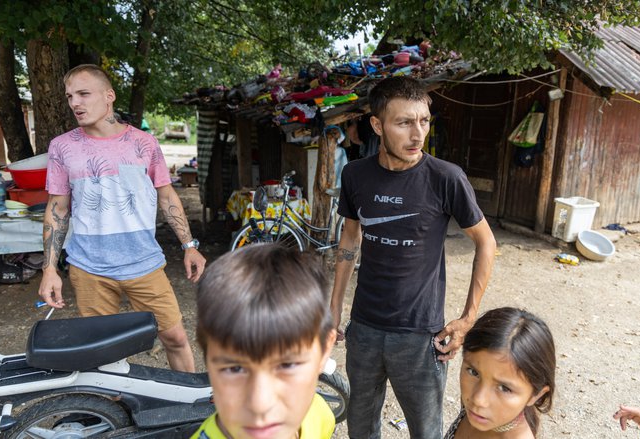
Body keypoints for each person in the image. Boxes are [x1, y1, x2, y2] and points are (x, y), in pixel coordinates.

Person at [330, 76, 497, 438]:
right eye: (404, 122)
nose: (417, 134)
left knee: (426, 431)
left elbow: (486, 242)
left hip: (420, 335)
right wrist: (333, 310)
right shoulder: (355, 174)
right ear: (377, 125)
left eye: (423, 121)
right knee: (360, 428)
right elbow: (349, 239)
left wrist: (468, 318)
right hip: (364, 330)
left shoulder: (445, 178)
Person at [38, 64, 206, 373]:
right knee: (105, 355)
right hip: (89, 269)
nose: (75, 103)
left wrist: (189, 246)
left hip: (144, 263)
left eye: (84, 94)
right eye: (70, 96)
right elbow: (58, 209)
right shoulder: (62, 147)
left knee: (176, 338)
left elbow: (167, 197)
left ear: (109, 96)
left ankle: (189, 407)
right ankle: (114, 416)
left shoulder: (143, 143)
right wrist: (49, 269)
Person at [192, 244, 337, 439]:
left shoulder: (320, 416)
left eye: (287, 365)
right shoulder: (318, 413)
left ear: (325, 350)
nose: (260, 405)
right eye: (234, 368)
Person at [444, 307, 556, 438]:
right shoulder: (475, 411)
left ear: (536, 396)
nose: (478, 400)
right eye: (474, 372)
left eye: (504, 388)